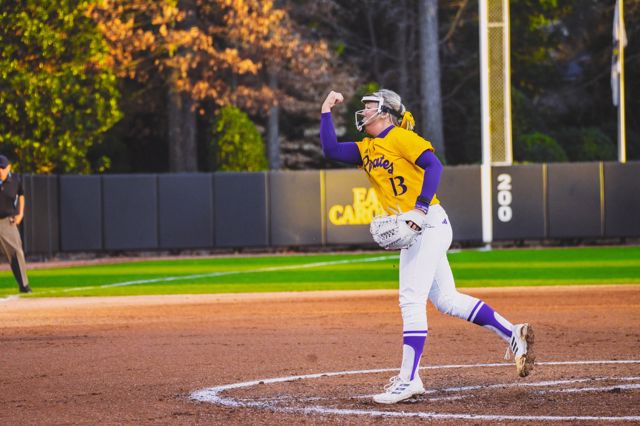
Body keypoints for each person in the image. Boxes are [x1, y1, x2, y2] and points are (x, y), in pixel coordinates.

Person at [319, 89, 534, 404]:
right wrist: (326, 109)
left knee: (410, 300)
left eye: (369, 106)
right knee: (447, 299)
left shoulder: (401, 137)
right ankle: (513, 333)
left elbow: (434, 166)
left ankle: (408, 379)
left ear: (385, 112)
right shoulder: (367, 148)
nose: (363, 111)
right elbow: (330, 149)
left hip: (427, 222)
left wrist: (419, 208)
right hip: (418, 227)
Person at [0, 155, 31, 293]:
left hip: (6, 222)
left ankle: (24, 286)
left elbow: (21, 194)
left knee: (16, 252)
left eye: (3, 167)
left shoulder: (15, 181)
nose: (0, 170)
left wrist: (20, 213)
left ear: (9, 167)